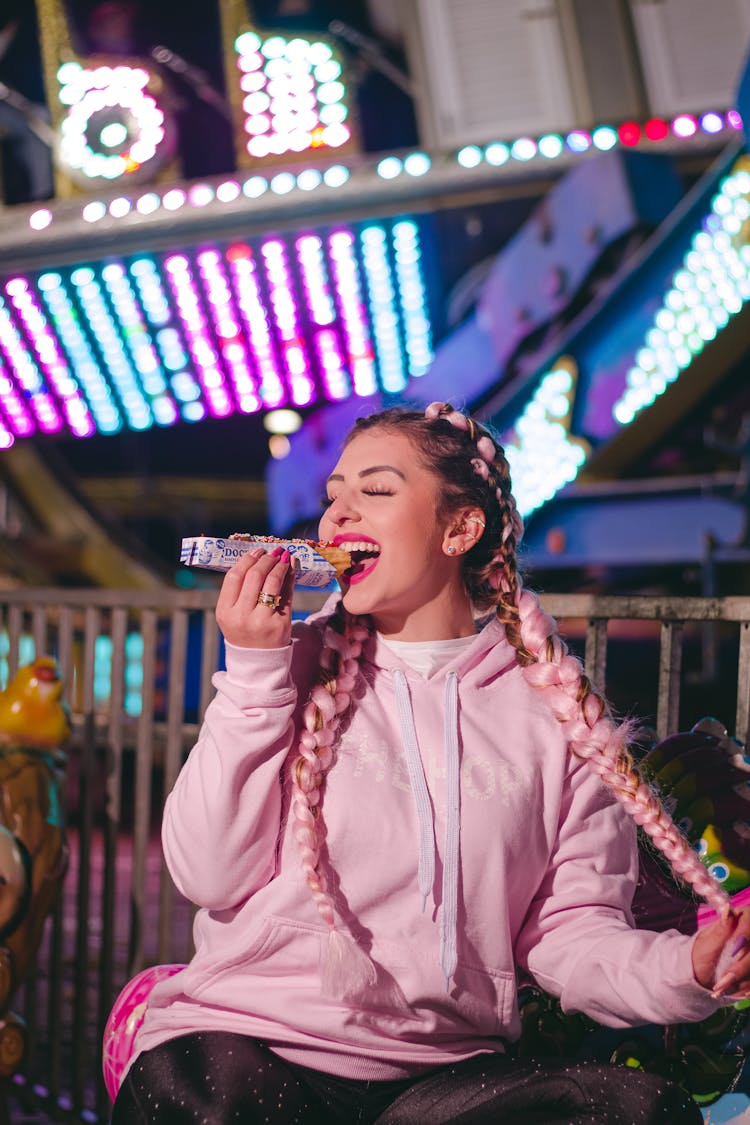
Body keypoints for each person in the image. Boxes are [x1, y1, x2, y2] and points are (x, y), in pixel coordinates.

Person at [111, 402, 750, 1124]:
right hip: (258, 1050)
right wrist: (254, 670)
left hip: (441, 1078)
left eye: (375, 491)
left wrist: (691, 968)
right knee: (189, 1089)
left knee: (634, 1107)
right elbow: (206, 872)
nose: (336, 516)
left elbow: (573, 938)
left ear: (460, 528)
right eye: (332, 496)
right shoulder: (287, 668)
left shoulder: (556, 719)